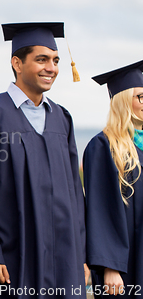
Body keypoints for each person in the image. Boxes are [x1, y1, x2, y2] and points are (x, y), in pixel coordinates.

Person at [0, 23, 86, 298]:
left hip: (63, 256)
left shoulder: (61, 118)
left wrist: (82, 251)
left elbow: (75, 193)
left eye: (55, 61)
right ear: (17, 63)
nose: (51, 68)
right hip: (13, 253)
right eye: (41, 59)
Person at [83, 60, 143, 298]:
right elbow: (101, 209)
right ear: (123, 101)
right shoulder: (104, 146)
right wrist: (110, 267)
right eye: (141, 97)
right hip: (126, 264)